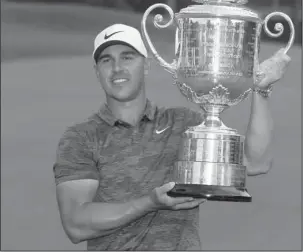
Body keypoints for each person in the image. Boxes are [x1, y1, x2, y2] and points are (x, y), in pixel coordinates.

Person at [53, 23, 291, 250]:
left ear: (145, 65)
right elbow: (76, 224)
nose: (117, 68)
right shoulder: (80, 138)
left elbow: (256, 162)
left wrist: (261, 90)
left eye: (127, 57)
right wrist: (150, 202)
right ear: (97, 72)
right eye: (106, 60)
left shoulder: (183, 124)